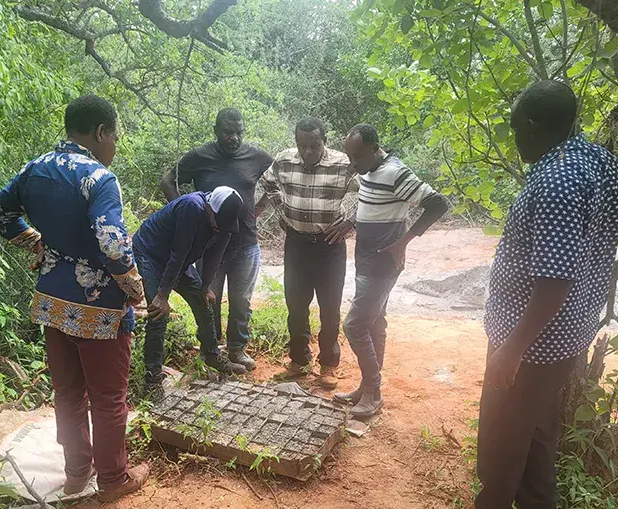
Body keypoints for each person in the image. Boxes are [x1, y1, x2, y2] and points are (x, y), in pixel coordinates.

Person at [432, 81, 618, 509]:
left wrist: (511, 347)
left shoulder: (559, 180)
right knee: (535, 427)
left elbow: (553, 280)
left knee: (500, 429)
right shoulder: (599, 161)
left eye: (516, 126)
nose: (513, 136)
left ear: (536, 126)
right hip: (570, 330)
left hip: (536, 336)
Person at [0, 94, 148, 502]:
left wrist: (35, 242)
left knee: (69, 392)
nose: (115, 145)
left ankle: (77, 472)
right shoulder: (98, 178)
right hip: (99, 309)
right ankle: (114, 480)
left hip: (53, 300)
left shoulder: (35, 169)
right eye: (115, 136)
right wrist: (134, 289)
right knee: (109, 397)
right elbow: (113, 246)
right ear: (100, 132)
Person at [337, 124, 448, 420]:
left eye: (357, 157)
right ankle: (366, 387)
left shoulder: (396, 173)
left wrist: (404, 242)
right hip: (366, 260)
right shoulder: (370, 171)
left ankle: (374, 392)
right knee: (374, 324)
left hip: (382, 264)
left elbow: (438, 204)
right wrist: (352, 222)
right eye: (350, 157)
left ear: (375, 148)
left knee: (354, 326)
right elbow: (376, 208)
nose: (353, 164)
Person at [159, 108, 273, 371]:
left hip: (246, 242)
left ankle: (237, 350)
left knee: (241, 300)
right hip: (210, 245)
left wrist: (261, 206)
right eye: (228, 133)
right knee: (209, 297)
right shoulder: (200, 156)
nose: (234, 138)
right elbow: (167, 181)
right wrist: (182, 213)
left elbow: (278, 179)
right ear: (216, 131)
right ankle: (210, 350)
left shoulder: (255, 156)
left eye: (239, 133)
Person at [256, 117, 359, 389]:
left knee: (329, 308)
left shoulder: (343, 164)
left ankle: (328, 365)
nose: (308, 151)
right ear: (296, 144)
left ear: (324, 141)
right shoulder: (284, 160)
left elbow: (371, 191)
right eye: (303, 146)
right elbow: (267, 181)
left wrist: (351, 221)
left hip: (330, 245)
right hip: (297, 244)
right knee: (296, 306)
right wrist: (281, 210)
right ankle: (299, 361)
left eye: (314, 145)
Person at [132, 186, 247, 399]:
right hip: (152, 254)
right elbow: (178, 253)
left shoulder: (226, 224)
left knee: (204, 301)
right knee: (158, 313)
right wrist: (162, 296)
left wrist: (206, 286)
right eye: (216, 223)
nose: (219, 229)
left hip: (179, 261)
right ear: (210, 209)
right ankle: (152, 378)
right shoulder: (191, 208)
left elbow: (215, 254)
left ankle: (211, 353)